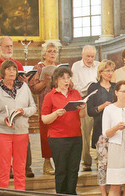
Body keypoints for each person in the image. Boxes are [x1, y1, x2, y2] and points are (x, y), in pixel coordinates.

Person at [0, 36, 35, 178]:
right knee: (5, 147)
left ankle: (26, 167)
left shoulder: (17, 64)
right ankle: (9, 169)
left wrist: (25, 82)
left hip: (20, 115)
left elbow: (25, 91)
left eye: (11, 46)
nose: (9, 49)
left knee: (24, 142)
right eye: (6, 46)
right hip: (2, 110)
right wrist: (2, 82)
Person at [0, 60, 37, 190]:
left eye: (14, 69)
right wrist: (2, 119)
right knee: (3, 168)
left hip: (21, 132)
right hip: (2, 132)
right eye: (8, 69)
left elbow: (33, 107)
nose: (12, 72)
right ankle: (2, 193)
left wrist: (24, 111)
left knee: (20, 168)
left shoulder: (24, 87)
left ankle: (20, 193)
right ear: (2, 72)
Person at [41, 67, 86, 195]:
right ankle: (61, 193)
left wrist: (83, 108)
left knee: (73, 169)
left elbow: (82, 115)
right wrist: (55, 114)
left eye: (68, 78)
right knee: (61, 170)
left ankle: (72, 193)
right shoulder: (50, 96)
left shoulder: (75, 93)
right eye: (63, 78)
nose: (66, 81)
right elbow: (44, 119)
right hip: (58, 138)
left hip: (76, 136)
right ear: (56, 80)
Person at [29, 42, 59, 175]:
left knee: (59, 135)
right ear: (44, 54)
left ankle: (59, 161)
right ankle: (47, 162)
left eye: (54, 51)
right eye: (50, 51)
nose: (52, 54)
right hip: (45, 107)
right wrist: (46, 81)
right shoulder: (38, 67)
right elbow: (34, 89)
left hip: (59, 106)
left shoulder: (59, 68)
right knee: (46, 135)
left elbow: (70, 84)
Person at [86, 60, 116, 196]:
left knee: (115, 162)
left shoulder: (116, 87)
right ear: (100, 72)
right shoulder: (94, 88)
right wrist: (103, 106)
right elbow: (90, 111)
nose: (110, 73)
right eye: (107, 70)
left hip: (115, 129)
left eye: (112, 70)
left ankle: (114, 189)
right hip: (100, 129)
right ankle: (103, 192)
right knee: (102, 164)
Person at [71, 45, 100, 172]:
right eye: (87, 56)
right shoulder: (76, 66)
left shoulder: (99, 65)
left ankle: (100, 160)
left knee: (99, 131)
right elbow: (75, 86)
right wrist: (89, 88)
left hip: (98, 101)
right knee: (85, 132)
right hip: (84, 100)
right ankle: (86, 162)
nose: (90, 59)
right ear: (82, 55)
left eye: (92, 56)